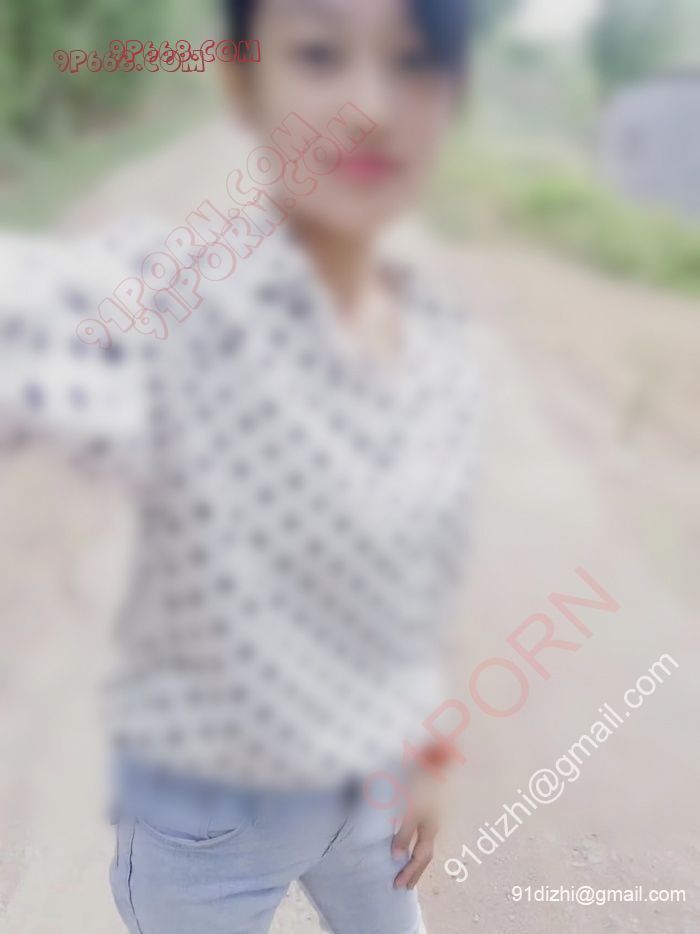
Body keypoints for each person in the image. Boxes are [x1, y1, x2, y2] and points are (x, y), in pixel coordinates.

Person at [0, 0, 481, 930]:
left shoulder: (431, 337)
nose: (369, 103)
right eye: (320, 53)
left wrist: (429, 753)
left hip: (369, 795)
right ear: (245, 84)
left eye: (412, 61)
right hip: (210, 831)